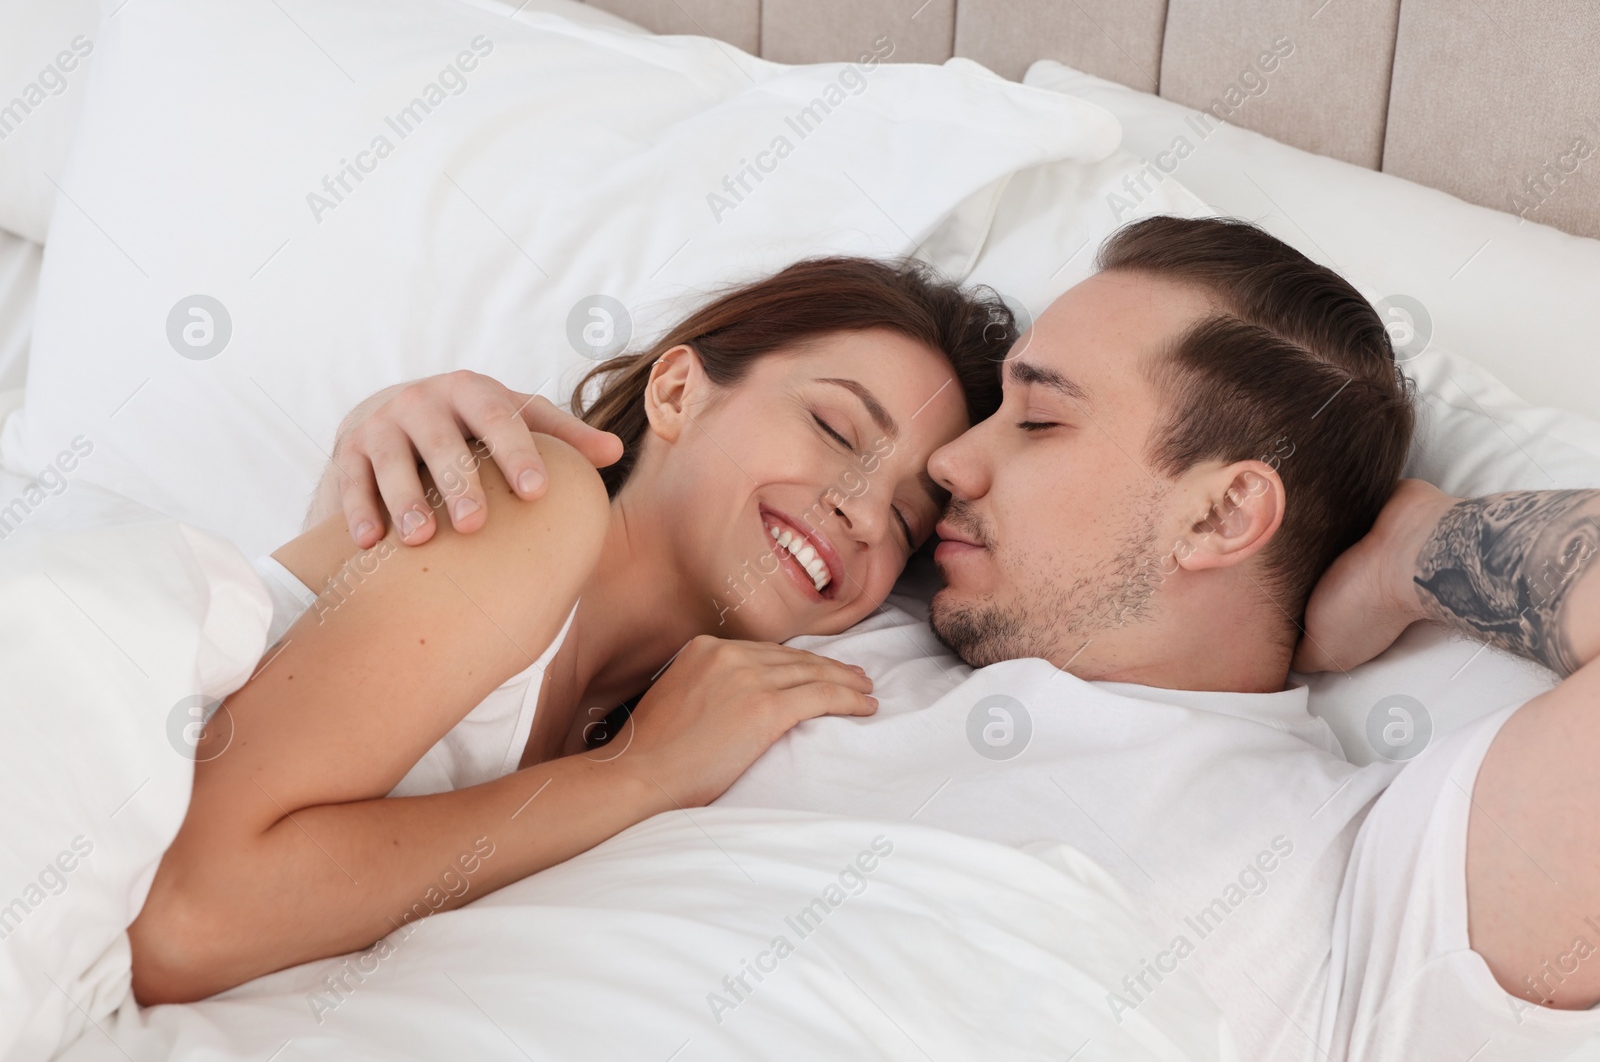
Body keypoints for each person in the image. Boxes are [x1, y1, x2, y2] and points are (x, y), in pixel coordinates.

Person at [322, 216, 1600, 1061]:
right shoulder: (825, 612)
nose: (949, 459)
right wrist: (407, 446)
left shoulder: (1369, 870)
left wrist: (1418, 562)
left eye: (1036, 423)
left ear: (1222, 510)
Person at [126, 256, 1015, 1004]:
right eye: (833, 426)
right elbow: (184, 920)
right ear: (676, 393)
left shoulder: (625, 721)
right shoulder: (541, 505)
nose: (861, 511)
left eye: (905, 518)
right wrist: (636, 776)